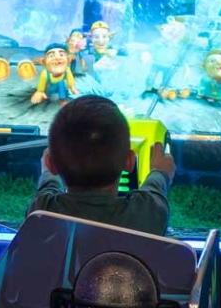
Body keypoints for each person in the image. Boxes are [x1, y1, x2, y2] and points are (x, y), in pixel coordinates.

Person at [27, 95, 174, 236]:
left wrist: (48, 170)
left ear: (50, 164)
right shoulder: (147, 214)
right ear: (130, 161)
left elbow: (47, 186)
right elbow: (155, 190)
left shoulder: (41, 212)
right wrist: (159, 172)